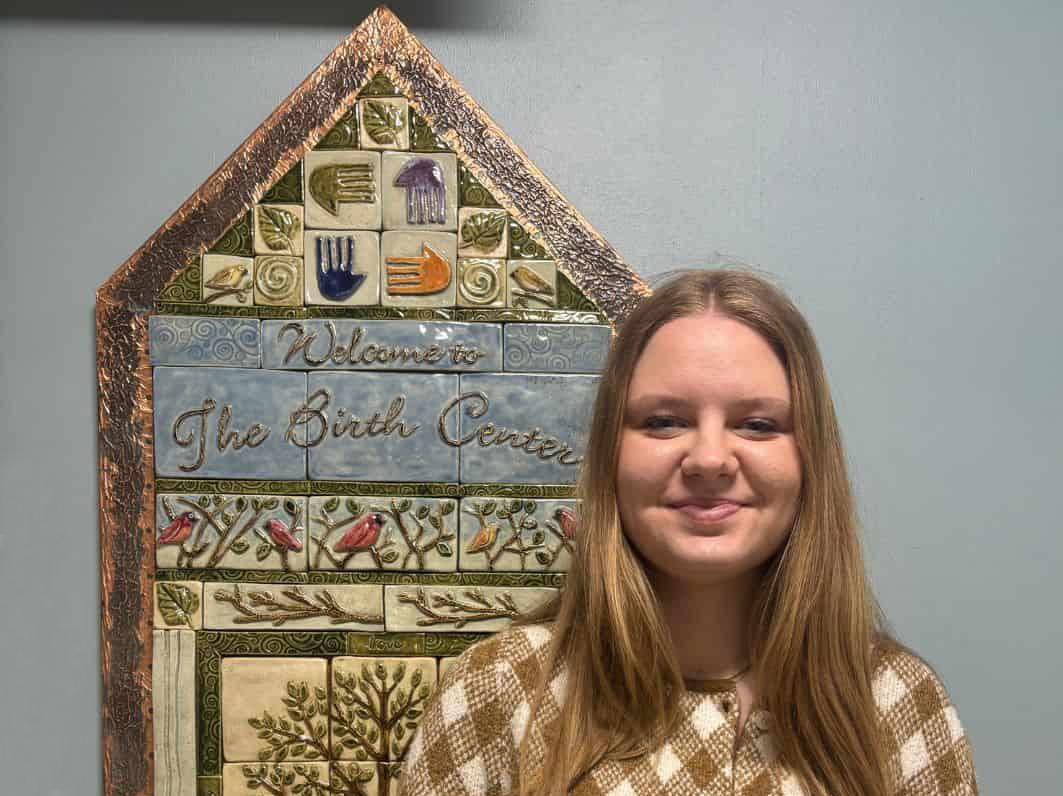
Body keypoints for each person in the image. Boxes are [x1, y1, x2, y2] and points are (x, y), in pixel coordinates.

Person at [400, 269, 978, 795]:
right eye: (663, 421)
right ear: (610, 457)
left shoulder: (897, 704)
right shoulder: (497, 692)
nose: (708, 458)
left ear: (810, 460)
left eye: (756, 424)